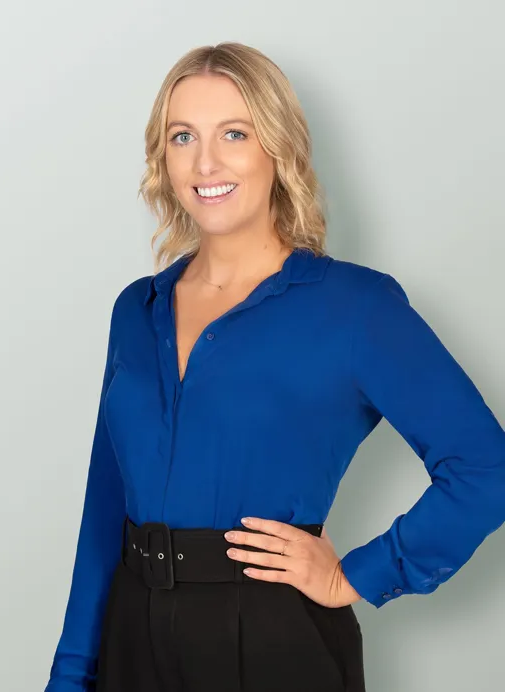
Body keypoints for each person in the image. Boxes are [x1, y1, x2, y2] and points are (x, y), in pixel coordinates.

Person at [44, 42, 505, 692]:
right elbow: (105, 508)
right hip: (130, 636)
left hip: (272, 639)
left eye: (234, 133)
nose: (206, 161)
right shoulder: (136, 310)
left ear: (278, 148)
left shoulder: (355, 308)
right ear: (162, 158)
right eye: (183, 136)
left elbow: (486, 467)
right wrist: (71, 674)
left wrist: (358, 574)